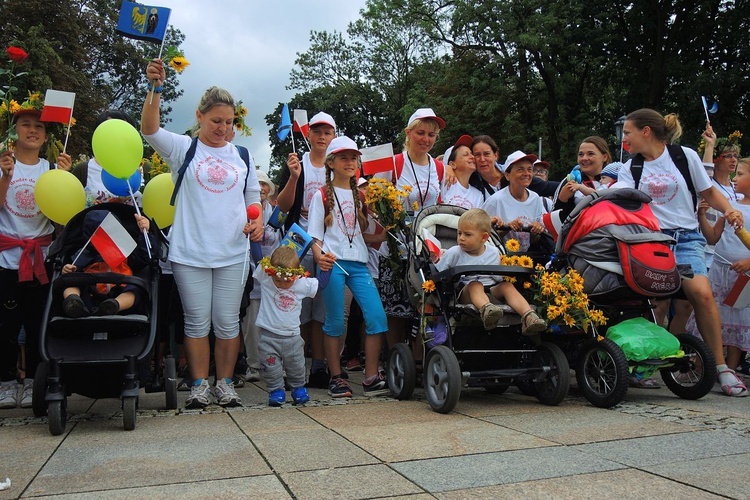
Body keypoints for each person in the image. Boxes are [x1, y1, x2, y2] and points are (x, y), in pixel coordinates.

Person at [141, 58, 263, 408]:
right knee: (196, 323)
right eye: (216, 121)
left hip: (233, 252)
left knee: (227, 322)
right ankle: (198, 385)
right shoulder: (184, 148)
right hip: (191, 251)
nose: (223, 128)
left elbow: (252, 197)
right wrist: (155, 88)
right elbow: (149, 129)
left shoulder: (241, 155)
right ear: (199, 116)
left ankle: (224, 383)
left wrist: (256, 221)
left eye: (228, 122)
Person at [613, 108, 746, 397]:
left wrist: (730, 209)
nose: (625, 138)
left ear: (646, 131)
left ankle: (721, 369)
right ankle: (644, 367)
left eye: (628, 132)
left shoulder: (684, 156)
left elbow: (709, 192)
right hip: (650, 241)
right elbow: (617, 200)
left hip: (686, 238)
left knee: (702, 293)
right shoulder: (630, 167)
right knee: (654, 302)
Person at [0, 103, 72, 410]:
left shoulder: (51, 170)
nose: (32, 130)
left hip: (41, 260)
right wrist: (6, 176)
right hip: (7, 260)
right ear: (14, 131)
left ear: (45, 135)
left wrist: (65, 180)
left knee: (35, 323)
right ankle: (5, 382)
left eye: (39, 127)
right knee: (5, 324)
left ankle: (32, 381)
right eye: (26, 124)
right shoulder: (4, 164)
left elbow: (63, 217)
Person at [308, 136, 389, 398]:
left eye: (354, 157)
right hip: (333, 264)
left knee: (377, 317)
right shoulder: (321, 195)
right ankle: (336, 377)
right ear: (330, 163)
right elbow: (315, 237)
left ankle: (371, 377)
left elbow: (359, 235)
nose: (350, 162)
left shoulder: (362, 196)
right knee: (334, 323)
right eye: (343, 157)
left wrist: (384, 233)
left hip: (359, 264)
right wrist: (319, 256)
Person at [277, 111, 336, 389]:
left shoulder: (337, 166)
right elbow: (283, 206)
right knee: (295, 305)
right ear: (308, 134)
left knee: (321, 307)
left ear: (334, 136)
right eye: (317, 131)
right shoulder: (296, 164)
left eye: (328, 132)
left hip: (327, 241)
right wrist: (293, 177)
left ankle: (319, 367)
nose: (322, 137)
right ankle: (294, 366)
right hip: (297, 243)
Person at [432, 208, 547, 334]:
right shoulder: (454, 252)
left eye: (467, 234)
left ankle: (529, 316)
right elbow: (439, 273)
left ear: (484, 237)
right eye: (459, 233)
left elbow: (498, 278)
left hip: (490, 289)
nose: (461, 238)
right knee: (475, 285)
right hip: (466, 291)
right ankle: (487, 310)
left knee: (507, 286)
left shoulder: (493, 252)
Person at [693, 156, 750, 396]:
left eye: (740, 174)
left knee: (738, 319)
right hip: (720, 271)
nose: (735, 179)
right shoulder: (730, 206)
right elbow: (713, 238)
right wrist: (702, 217)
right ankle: (704, 366)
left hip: (744, 276)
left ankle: (732, 368)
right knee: (716, 317)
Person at [255, 246, 318, 406]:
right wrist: (255, 241)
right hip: (268, 336)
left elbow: (321, 285)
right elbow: (257, 258)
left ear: (296, 274)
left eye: (287, 280)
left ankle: (298, 389)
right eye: (278, 280)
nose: (282, 284)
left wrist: (326, 266)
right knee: (271, 369)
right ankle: (276, 390)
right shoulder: (266, 278)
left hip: (293, 337)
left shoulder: (302, 283)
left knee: (297, 365)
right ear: (271, 272)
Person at [61, 211, 152, 317]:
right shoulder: (84, 253)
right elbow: (74, 269)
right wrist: (67, 270)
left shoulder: (125, 250)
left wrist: (145, 233)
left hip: (120, 290)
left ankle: (114, 306)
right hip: (90, 294)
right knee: (70, 282)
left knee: (136, 289)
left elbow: (146, 257)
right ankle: (73, 301)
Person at [240, 169, 280, 385]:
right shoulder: (242, 210)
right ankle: (254, 365)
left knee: (273, 325)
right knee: (252, 325)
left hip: (274, 278)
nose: (262, 189)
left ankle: (274, 365)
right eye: (258, 185)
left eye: (265, 184)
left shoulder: (276, 213)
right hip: (252, 276)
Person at [70, 109, 143, 207]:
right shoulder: (84, 170)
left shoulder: (137, 171)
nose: (118, 135)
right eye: (112, 129)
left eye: (123, 129)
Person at [481, 151, 546, 252]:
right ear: (507, 175)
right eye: (520, 169)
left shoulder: (535, 199)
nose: (526, 174)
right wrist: (506, 228)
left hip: (526, 258)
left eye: (529, 170)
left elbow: (533, 241)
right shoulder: (495, 201)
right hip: (499, 258)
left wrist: (536, 231)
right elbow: (482, 236)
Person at [467, 135, 559, 201]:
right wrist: (451, 169)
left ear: (495, 155)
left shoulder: (516, 175)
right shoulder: (471, 179)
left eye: (487, 154)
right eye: (477, 155)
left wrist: (572, 180)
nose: (482, 159)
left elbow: (549, 187)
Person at [555, 136, 612, 209]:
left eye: (590, 154)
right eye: (581, 154)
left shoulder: (615, 180)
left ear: (604, 157)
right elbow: (555, 215)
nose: (584, 158)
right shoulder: (570, 180)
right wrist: (562, 200)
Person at [441, 135, 484, 209]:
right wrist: (445, 168)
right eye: (466, 154)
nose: (472, 157)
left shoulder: (478, 195)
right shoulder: (444, 183)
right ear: (453, 164)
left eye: (472, 154)